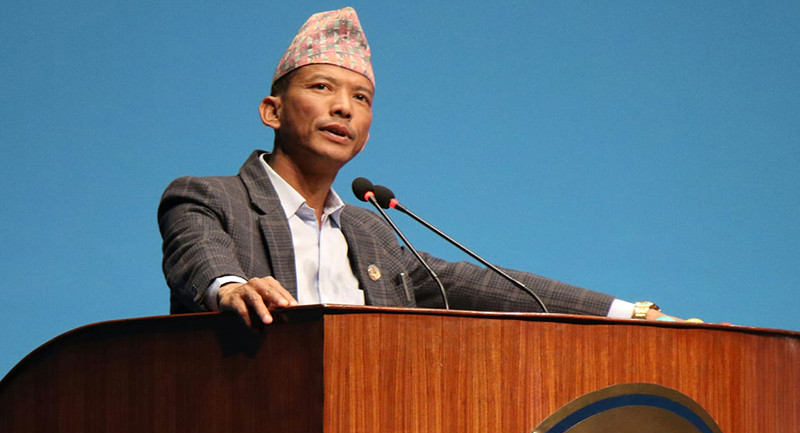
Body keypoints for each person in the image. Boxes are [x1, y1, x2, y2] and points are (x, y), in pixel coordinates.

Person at [159, 7, 669, 327]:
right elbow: (200, 259)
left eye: (360, 98)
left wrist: (632, 314)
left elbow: (491, 288)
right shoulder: (207, 198)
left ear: (366, 135)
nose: (343, 108)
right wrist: (231, 288)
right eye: (322, 88)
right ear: (272, 111)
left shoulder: (371, 235)